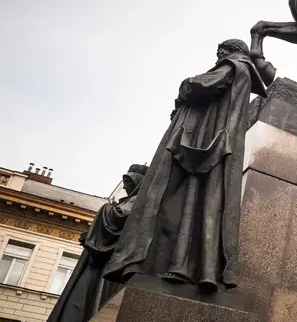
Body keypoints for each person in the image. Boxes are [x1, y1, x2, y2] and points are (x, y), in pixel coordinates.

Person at [104, 39, 274, 290]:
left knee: (177, 198)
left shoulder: (233, 66)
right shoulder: (242, 72)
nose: (218, 56)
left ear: (230, 52)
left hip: (203, 142)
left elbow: (198, 86)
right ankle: (193, 267)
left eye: (221, 52)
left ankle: (181, 265)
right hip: (214, 143)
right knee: (198, 204)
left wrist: (185, 86)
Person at [21, 164, 147, 322]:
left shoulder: (140, 201)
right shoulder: (131, 201)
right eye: (125, 181)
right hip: (96, 265)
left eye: (130, 181)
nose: (125, 186)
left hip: (106, 269)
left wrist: (102, 217)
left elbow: (117, 219)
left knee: (82, 308)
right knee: (76, 308)